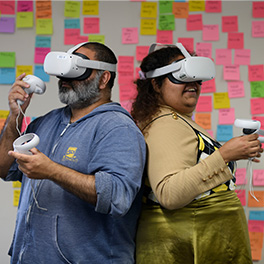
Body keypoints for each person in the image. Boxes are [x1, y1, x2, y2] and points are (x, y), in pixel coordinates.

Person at [0, 42, 146, 263]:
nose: (65, 79)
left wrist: (52, 171)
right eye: (63, 71)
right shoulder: (46, 122)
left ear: (104, 78)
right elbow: (4, 168)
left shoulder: (118, 128)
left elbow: (118, 197)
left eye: (76, 70)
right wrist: (15, 115)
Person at [131, 44, 263, 264]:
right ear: (155, 84)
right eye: (181, 76)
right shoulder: (165, 124)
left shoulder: (175, 119)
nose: (192, 84)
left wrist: (234, 153)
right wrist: (225, 155)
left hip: (203, 241)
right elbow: (170, 194)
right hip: (188, 245)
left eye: (197, 78)